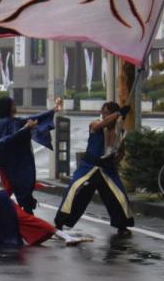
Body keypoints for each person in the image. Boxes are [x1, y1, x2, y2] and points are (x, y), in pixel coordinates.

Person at [54, 101, 134, 235]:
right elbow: (101, 124)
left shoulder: (119, 131)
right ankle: (60, 223)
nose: (104, 115)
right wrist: (118, 114)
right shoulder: (95, 124)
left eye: (107, 113)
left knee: (118, 196)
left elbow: (121, 152)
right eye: (103, 113)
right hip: (89, 167)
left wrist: (114, 162)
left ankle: (122, 226)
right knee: (75, 191)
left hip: (107, 169)